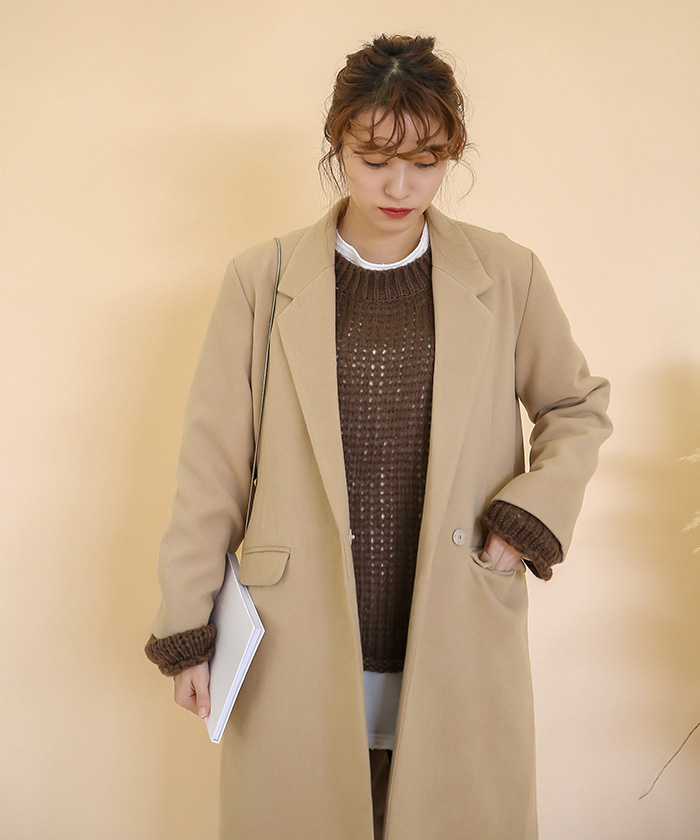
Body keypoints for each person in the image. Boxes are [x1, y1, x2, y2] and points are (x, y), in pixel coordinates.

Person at [145, 33, 612, 840]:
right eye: (374, 158)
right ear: (337, 146)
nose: (401, 185)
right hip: (296, 642)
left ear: (452, 155)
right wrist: (187, 629)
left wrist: (525, 520)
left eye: (427, 160)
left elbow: (577, 406)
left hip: (457, 627)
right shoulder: (262, 280)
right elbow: (212, 466)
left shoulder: (507, 274)